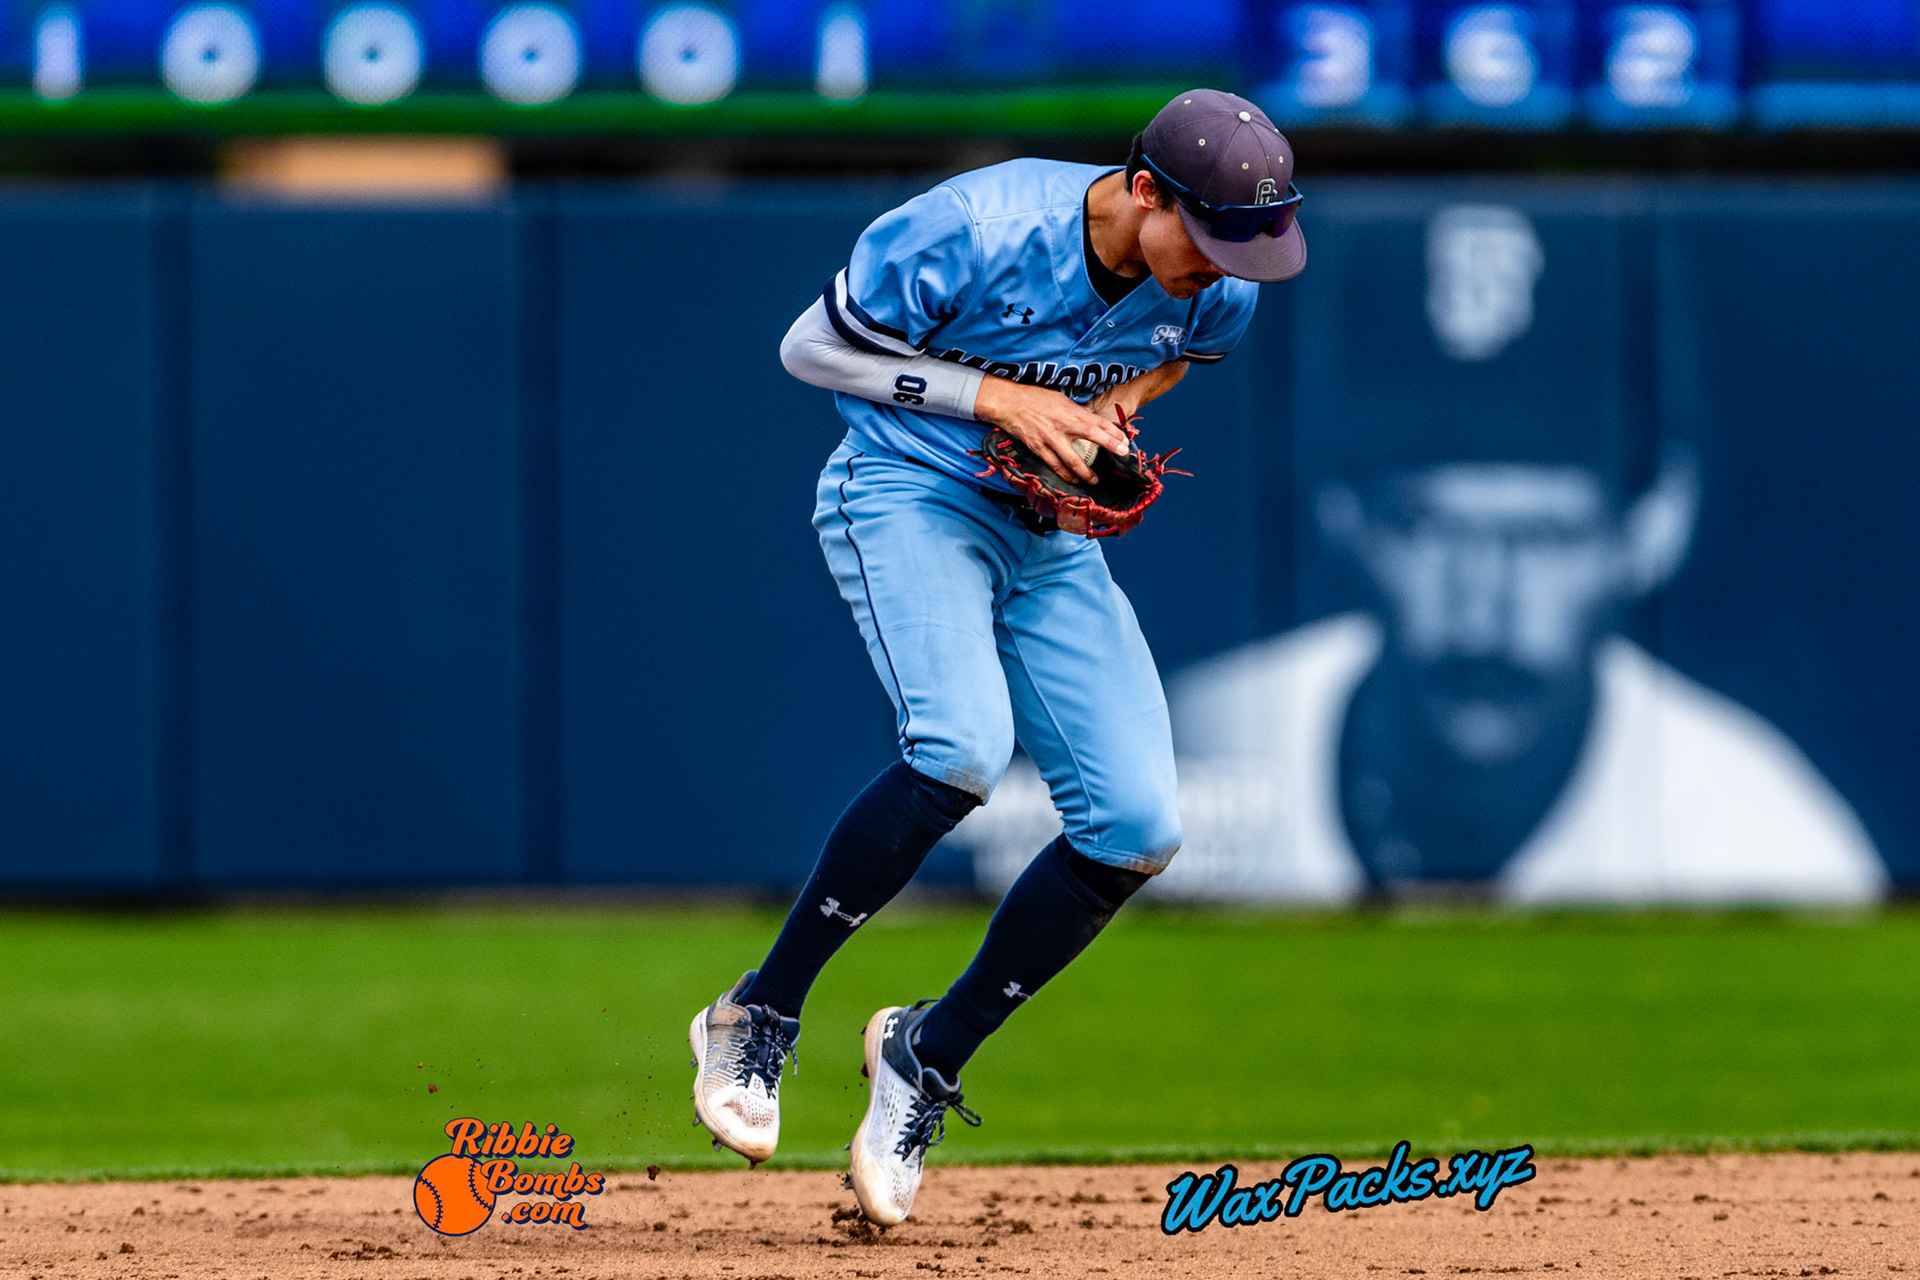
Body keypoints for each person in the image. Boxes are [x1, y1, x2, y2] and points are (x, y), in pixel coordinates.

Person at [687, 89, 1305, 1225]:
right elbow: (811, 347)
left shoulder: (1217, 290)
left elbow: (1177, 356)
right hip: (910, 491)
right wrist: (1003, 399)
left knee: (1137, 828)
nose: (1224, 267)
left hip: (1046, 534)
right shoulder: (976, 228)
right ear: (1142, 190)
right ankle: (757, 1013)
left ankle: (926, 1053)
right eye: (1209, 235)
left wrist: (1116, 402)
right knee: (961, 749)